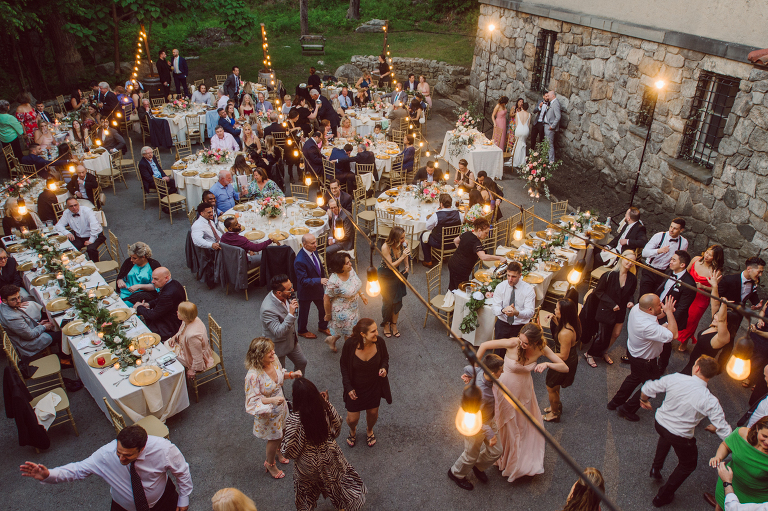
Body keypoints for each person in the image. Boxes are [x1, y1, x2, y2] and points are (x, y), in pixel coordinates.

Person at [20, 424, 193, 511]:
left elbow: (182, 472)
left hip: (163, 503)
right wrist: (48, 474)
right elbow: (78, 470)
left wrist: (184, 498)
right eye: (119, 452)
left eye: (128, 455)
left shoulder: (164, 449)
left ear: (142, 448)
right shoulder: (106, 455)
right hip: (123, 508)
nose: (121, 458)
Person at [476, 323, 568, 482]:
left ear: (535, 342)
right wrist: (475, 369)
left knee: (521, 425)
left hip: (523, 391)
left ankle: (516, 460)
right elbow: (484, 345)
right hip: (504, 389)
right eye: (521, 339)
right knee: (501, 423)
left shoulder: (542, 349)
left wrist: (547, 363)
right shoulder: (513, 342)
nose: (521, 344)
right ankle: (498, 455)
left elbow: (564, 367)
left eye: (526, 343)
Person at [638, 355, 731, 507]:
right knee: (688, 464)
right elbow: (723, 428)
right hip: (681, 436)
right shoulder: (710, 400)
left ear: (697, 368)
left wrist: (643, 399)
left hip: (660, 423)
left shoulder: (676, 378)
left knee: (666, 437)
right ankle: (663, 496)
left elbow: (648, 387)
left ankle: (656, 468)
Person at [281, 377, 367, 511]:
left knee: (305, 491)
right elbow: (337, 428)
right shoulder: (325, 407)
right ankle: (342, 507)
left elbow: (290, 451)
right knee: (336, 483)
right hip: (329, 455)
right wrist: (326, 401)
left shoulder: (295, 419)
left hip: (307, 463)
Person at [608, 294, 678, 422]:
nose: (661, 305)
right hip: (645, 361)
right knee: (653, 384)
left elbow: (656, 316)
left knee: (634, 377)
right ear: (650, 309)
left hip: (634, 353)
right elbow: (674, 335)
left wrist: (666, 312)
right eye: (659, 304)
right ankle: (627, 409)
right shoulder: (648, 326)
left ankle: (615, 402)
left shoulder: (637, 309)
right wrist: (669, 313)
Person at [244, 337, 301, 479]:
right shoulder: (252, 376)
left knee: (283, 430)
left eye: (272, 350)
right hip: (268, 413)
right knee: (275, 437)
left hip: (281, 408)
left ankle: (279, 451)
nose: (273, 353)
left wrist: (291, 375)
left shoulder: (273, 359)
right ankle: (270, 464)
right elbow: (252, 400)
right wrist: (272, 400)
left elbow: (280, 375)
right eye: (268, 352)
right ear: (258, 355)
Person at [448, 353, 504, 491]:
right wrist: (490, 434)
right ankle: (456, 473)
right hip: (476, 426)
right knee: (470, 455)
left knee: (497, 451)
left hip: (489, 420)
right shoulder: (482, 394)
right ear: (491, 372)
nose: (502, 372)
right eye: (500, 370)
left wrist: (468, 375)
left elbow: (467, 368)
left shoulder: (480, 370)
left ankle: (477, 466)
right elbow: (474, 418)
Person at [339, 317, 391, 448]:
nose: (377, 333)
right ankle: (352, 430)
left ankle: (369, 430)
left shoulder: (379, 343)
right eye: (373, 331)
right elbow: (344, 366)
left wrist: (384, 368)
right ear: (363, 334)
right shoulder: (350, 345)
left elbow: (385, 357)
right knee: (352, 419)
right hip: (355, 389)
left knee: (373, 413)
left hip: (373, 387)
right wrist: (348, 387)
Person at [585, 251, 638, 367]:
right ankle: (589, 353)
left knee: (616, 334)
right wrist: (612, 304)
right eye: (628, 260)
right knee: (602, 335)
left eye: (632, 261)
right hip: (607, 309)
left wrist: (631, 301)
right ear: (622, 258)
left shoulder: (632, 278)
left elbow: (631, 294)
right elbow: (598, 291)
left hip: (621, 310)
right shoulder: (609, 275)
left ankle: (604, 351)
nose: (629, 263)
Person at [705, 416, 768, 509]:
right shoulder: (742, 434)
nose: (767, 442)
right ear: (758, 428)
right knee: (720, 505)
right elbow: (726, 445)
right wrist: (718, 456)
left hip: (754, 499)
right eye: (765, 436)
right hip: (728, 483)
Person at [717, 257, 765, 372]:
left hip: (738, 316)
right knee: (717, 336)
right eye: (759, 271)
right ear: (749, 269)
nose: (761, 275)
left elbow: (752, 294)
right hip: (724, 314)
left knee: (730, 341)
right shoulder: (729, 280)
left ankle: (719, 367)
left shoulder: (754, 282)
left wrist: (756, 304)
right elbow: (717, 296)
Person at [654, 250, 697, 372]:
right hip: (657, 309)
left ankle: (661, 365)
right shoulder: (669, 272)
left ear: (682, 265)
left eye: (674, 260)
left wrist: (669, 322)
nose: (670, 261)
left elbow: (682, 308)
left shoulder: (689, 284)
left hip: (670, 315)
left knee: (665, 342)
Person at [680, 273, 730, 375]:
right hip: (692, 364)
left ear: (726, 322)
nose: (715, 317)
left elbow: (721, 320)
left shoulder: (723, 337)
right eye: (716, 315)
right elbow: (715, 302)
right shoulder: (715, 323)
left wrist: (724, 305)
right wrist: (715, 286)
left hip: (700, 371)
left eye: (718, 316)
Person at [678, 245, 724, 351]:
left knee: (691, 321)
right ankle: (671, 335)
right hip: (686, 293)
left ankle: (684, 341)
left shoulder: (716, 271)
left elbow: (714, 290)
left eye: (710, 255)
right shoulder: (695, 260)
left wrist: (702, 286)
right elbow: (685, 273)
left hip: (700, 298)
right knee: (679, 314)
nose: (706, 256)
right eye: (707, 252)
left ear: (716, 258)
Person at [260, 274, 308, 375]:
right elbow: (278, 332)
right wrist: (291, 314)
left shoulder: (286, 295)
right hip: (278, 346)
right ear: (279, 292)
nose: (293, 290)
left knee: (302, 362)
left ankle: (298, 388)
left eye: (292, 286)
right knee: (279, 374)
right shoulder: (267, 309)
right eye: (289, 289)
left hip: (291, 340)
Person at [544, 297, 581, 422]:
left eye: (557, 309)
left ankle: (554, 413)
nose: (554, 310)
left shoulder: (565, 333)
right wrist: (555, 320)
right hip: (569, 357)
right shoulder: (572, 322)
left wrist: (544, 353)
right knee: (555, 386)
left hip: (564, 361)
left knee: (550, 387)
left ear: (564, 312)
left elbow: (564, 356)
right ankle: (555, 404)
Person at [0, 284, 59, 358]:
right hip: (28, 343)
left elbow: (23, 327)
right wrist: (43, 327)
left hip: (26, 333)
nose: (18, 301)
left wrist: (39, 324)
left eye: (18, 297)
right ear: (4, 301)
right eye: (13, 299)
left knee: (49, 320)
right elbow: (30, 335)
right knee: (60, 334)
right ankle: (64, 359)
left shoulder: (3, 306)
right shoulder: (11, 318)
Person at [323, 252, 366, 352]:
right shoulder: (333, 281)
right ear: (340, 266)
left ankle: (331, 340)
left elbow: (355, 284)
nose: (350, 264)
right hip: (342, 312)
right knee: (350, 334)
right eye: (347, 263)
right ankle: (350, 355)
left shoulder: (350, 271)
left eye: (349, 261)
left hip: (354, 308)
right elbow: (326, 298)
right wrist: (328, 314)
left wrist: (362, 294)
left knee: (345, 330)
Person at [447, 218, 505, 291]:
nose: (487, 235)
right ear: (479, 230)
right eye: (486, 233)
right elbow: (483, 257)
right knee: (460, 290)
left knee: (452, 286)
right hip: (461, 269)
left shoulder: (467, 233)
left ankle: (449, 300)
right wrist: (499, 258)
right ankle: (454, 301)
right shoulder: (476, 242)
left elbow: (455, 241)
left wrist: (462, 251)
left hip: (452, 262)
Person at [639, 218, 689, 297]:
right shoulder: (659, 236)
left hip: (664, 273)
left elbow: (681, 259)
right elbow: (644, 253)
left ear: (681, 230)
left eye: (675, 228)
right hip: (650, 270)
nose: (671, 230)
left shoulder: (684, 242)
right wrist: (658, 251)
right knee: (644, 297)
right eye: (671, 226)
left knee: (656, 297)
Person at [294, 234, 330, 340]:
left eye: (315, 242)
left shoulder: (314, 250)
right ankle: (302, 331)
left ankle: (322, 326)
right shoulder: (299, 260)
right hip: (306, 291)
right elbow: (303, 280)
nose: (316, 245)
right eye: (312, 243)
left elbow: (317, 266)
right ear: (304, 245)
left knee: (323, 308)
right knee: (304, 313)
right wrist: (319, 280)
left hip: (317, 288)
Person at [134, 267, 186, 342]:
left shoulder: (167, 294)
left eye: (156, 279)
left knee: (142, 335)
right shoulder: (174, 283)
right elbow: (159, 299)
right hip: (173, 316)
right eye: (152, 279)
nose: (152, 281)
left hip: (170, 326)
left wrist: (139, 307)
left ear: (166, 278)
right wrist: (148, 304)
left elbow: (153, 315)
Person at [165, 301, 214, 379]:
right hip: (192, 350)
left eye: (179, 312)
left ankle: (178, 378)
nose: (177, 312)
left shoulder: (192, 336)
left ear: (185, 316)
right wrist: (175, 337)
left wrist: (193, 370)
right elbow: (182, 331)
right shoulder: (192, 319)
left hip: (194, 358)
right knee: (167, 345)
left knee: (167, 352)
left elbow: (197, 357)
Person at [491, 261, 536, 344]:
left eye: (514, 276)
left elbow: (530, 312)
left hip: (520, 326)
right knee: (499, 352)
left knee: (516, 354)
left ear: (520, 275)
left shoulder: (528, 290)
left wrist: (517, 313)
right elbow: (494, 308)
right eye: (508, 275)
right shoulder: (501, 287)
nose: (510, 279)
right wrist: (503, 310)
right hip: (503, 323)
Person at [379, 227, 410, 338]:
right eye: (401, 238)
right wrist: (402, 257)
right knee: (387, 302)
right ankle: (386, 324)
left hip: (396, 275)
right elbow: (390, 266)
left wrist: (406, 265)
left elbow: (405, 255)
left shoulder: (404, 243)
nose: (404, 239)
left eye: (404, 237)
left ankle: (394, 324)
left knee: (397, 300)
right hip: (385, 275)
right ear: (395, 237)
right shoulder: (385, 247)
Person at [55, 197, 106, 262]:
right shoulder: (66, 213)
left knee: (91, 249)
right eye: (71, 206)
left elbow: (95, 227)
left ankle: (95, 266)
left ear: (78, 204)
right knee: (69, 248)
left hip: (95, 235)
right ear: (67, 207)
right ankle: (75, 265)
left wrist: (91, 240)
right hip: (79, 237)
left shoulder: (87, 211)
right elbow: (58, 225)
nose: (74, 207)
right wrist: (66, 232)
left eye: (75, 205)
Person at [420, 193, 462, 267]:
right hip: (453, 243)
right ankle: (444, 256)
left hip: (438, 243)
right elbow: (461, 223)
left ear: (441, 204)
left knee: (423, 235)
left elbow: (428, 227)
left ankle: (428, 260)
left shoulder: (436, 215)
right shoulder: (459, 214)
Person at [512, 102, 530, 167]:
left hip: (519, 129)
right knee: (523, 143)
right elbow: (528, 124)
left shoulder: (518, 114)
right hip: (525, 130)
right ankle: (522, 161)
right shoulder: (529, 114)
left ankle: (516, 160)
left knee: (517, 144)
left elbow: (516, 124)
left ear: (522, 107)